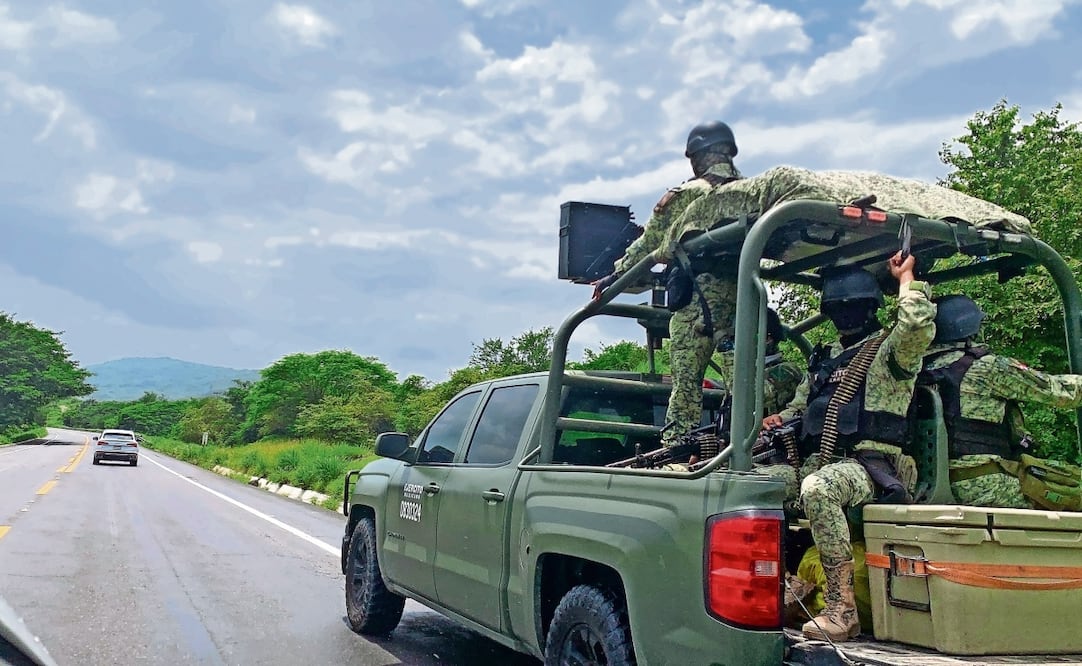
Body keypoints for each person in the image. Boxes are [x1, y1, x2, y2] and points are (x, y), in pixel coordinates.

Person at [761, 252, 936, 642]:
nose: (845, 316)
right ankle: (787, 584)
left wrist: (907, 280)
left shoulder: (891, 351)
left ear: (872, 308)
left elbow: (916, 324)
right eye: (838, 309)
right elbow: (800, 406)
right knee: (751, 483)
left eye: (852, 308)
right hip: (822, 460)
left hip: (876, 465)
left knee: (818, 490)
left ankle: (842, 608)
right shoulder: (825, 361)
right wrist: (780, 419)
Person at [593, 120, 743, 446]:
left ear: (695, 156)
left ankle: (678, 447)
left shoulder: (688, 194)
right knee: (743, 386)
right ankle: (743, 444)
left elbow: (650, 244)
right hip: (746, 305)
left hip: (697, 307)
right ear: (729, 152)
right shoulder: (751, 194)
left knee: (687, 384)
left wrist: (616, 275)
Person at [920, 294, 1082, 508]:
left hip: (929, 485)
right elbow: (1059, 392)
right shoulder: (985, 367)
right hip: (986, 483)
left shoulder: (920, 369)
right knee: (1074, 490)